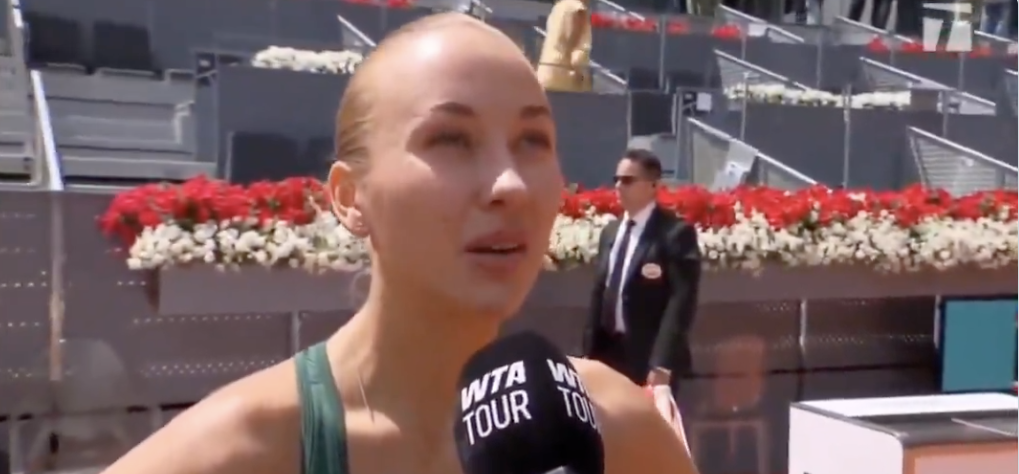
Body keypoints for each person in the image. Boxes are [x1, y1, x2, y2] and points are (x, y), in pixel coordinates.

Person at [98, 13, 698, 474]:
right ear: (349, 197)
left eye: (533, 141)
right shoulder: (239, 448)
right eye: (451, 139)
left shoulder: (617, 427)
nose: (511, 185)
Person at [582, 149, 701, 391]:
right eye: (616, 179)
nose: (618, 186)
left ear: (653, 186)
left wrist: (662, 364)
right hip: (607, 355)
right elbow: (599, 292)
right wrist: (588, 352)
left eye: (627, 180)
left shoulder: (675, 233)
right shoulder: (610, 232)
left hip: (648, 360)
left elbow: (681, 302)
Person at [536, 0, 591, 93]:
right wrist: (580, 75)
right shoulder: (578, 10)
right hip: (565, 74)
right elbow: (573, 45)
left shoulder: (558, 7)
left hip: (547, 69)